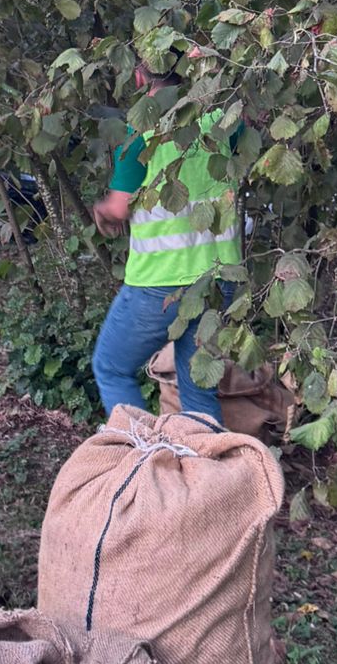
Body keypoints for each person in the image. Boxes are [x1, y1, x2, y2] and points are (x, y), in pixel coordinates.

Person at [90, 59, 243, 422]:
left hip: (159, 286)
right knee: (199, 390)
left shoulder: (138, 133)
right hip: (220, 280)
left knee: (111, 367)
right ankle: (205, 473)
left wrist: (101, 211)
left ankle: (143, 461)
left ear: (141, 76)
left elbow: (118, 207)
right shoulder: (222, 120)